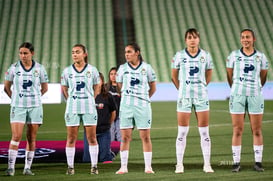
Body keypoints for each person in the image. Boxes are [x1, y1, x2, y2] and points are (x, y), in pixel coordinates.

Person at [171, 28, 214, 173]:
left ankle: (207, 164)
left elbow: (209, 74)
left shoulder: (206, 56)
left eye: (195, 37)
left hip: (201, 96)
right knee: (182, 132)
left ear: (199, 39)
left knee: (204, 132)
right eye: (189, 37)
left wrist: (201, 87)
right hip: (184, 96)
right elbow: (173, 76)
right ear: (186, 40)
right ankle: (179, 164)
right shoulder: (179, 55)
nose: (192, 39)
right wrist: (182, 89)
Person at [226, 28, 268, 172]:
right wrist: (236, 89)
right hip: (237, 95)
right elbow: (229, 75)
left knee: (256, 130)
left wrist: (255, 88)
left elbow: (263, 76)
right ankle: (236, 163)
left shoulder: (261, 57)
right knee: (237, 129)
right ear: (240, 39)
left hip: (255, 95)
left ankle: (258, 162)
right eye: (243, 37)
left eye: (248, 37)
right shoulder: (233, 55)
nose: (245, 39)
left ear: (253, 39)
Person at [4, 42, 49, 176]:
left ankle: (27, 168)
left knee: (31, 137)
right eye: (21, 53)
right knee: (16, 136)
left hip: (35, 107)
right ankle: (10, 168)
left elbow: (45, 88)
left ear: (32, 53)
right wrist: (15, 99)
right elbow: (6, 87)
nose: (23, 56)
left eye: (25, 53)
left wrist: (34, 98)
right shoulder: (13, 68)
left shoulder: (40, 68)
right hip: (18, 106)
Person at [115, 42, 157, 174]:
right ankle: (123, 167)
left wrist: (143, 98)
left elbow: (153, 87)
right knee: (125, 137)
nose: (126, 54)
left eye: (129, 52)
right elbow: (120, 86)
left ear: (137, 52)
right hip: (126, 106)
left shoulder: (147, 68)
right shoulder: (122, 68)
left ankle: (148, 167)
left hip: (143, 106)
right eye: (126, 52)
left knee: (145, 137)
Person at [61, 44, 100, 175]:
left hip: (89, 107)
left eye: (77, 52)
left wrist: (91, 99)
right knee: (71, 138)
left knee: (92, 138)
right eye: (73, 52)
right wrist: (71, 100)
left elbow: (97, 87)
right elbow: (64, 88)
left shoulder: (92, 70)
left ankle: (94, 166)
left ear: (85, 54)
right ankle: (70, 167)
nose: (75, 54)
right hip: (72, 107)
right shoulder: (67, 71)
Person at [83, 72, 116, 163]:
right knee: (87, 160)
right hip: (89, 132)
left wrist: (108, 124)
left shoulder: (108, 96)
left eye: (99, 79)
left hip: (104, 131)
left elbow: (113, 112)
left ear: (102, 82)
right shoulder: (86, 96)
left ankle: (109, 153)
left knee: (105, 159)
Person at [106, 67, 122, 154]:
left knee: (120, 138)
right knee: (110, 137)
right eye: (111, 74)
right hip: (110, 116)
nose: (113, 76)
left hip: (120, 116)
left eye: (115, 74)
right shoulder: (106, 88)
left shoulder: (122, 88)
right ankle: (110, 153)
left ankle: (121, 155)